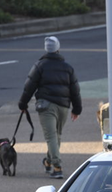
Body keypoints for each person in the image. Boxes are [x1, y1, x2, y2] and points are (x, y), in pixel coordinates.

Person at [18, 36, 82, 179]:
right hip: (63, 107)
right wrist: (76, 109)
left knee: (52, 136)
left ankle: (57, 166)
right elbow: (75, 90)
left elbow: (29, 87)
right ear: (58, 49)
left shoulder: (39, 66)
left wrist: (23, 104)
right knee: (56, 136)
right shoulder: (67, 68)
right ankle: (48, 161)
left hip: (46, 105)